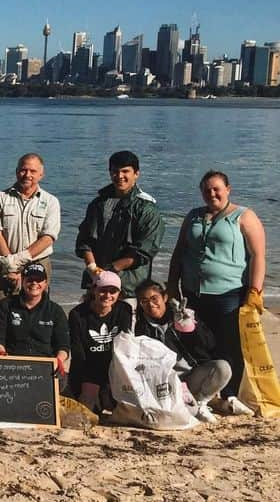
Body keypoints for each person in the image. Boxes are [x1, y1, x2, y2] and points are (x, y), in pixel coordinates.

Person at [167, 170, 266, 414]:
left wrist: (255, 291)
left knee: (229, 345)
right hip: (193, 293)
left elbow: (258, 256)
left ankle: (230, 395)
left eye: (216, 188)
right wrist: (172, 285)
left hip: (229, 293)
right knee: (198, 343)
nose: (212, 193)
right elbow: (180, 252)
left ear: (228, 189)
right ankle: (204, 392)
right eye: (206, 189)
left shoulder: (244, 216)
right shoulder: (193, 216)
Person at [135, 280, 232, 422]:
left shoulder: (182, 313)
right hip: (165, 383)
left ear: (165, 298)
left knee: (222, 367)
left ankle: (201, 402)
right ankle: (194, 405)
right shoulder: (140, 325)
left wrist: (190, 328)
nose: (150, 304)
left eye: (154, 298)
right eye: (144, 301)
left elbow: (209, 344)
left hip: (191, 376)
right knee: (184, 413)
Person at [75, 150, 164, 301]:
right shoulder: (98, 204)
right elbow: (85, 241)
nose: (120, 176)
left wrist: (110, 270)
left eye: (125, 171)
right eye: (115, 171)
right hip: (96, 285)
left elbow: (145, 251)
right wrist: (92, 269)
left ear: (136, 174)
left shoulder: (147, 209)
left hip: (129, 287)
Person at [0, 153, 61, 305]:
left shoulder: (51, 201)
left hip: (39, 263)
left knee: (39, 314)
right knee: (3, 313)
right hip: (6, 265)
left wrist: (20, 259)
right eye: (23, 170)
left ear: (41, 174)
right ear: (16, 171)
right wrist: (11, 265)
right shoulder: (1, 197)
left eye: (33, 171)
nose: (27, 175)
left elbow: (48, 237)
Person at [0, 262, 70, 382]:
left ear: (46, 283)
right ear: (22, 280)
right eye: (30, 279)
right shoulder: (6, 305)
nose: (34, 283)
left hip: (45, 365)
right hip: (12, 364)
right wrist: (1, 354)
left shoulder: (55, 310)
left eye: (39, 280)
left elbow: (63, 345)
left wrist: (59, 360)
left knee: (61, 380)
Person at [67, 271, 134, 413]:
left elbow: (125, 344)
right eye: (103, 290)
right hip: (88, 367)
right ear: (94, 289)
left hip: (114, 367)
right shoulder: (77, 314)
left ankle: (105, 394)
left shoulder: (124, 310)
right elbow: (78, 354)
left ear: (119, 293)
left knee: (119, 407)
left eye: (113, 291)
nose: (108, 295)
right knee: (88, 408)